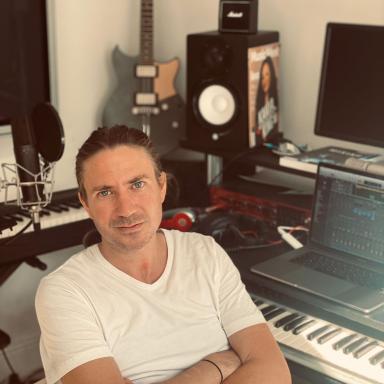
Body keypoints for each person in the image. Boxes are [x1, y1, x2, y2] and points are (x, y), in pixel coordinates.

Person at [35, 125, 291, 384]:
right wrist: (212, 368)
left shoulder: (206, 254)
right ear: (86, 204)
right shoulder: (64, 291)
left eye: (137, 184)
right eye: (105, 192)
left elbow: (275, 374)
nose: (125, 209)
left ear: (161, 187)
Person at [255, 56, 279, 142]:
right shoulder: (259, 102)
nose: (264, 80)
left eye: (267, 74)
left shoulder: (276, 101)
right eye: (262, 77)